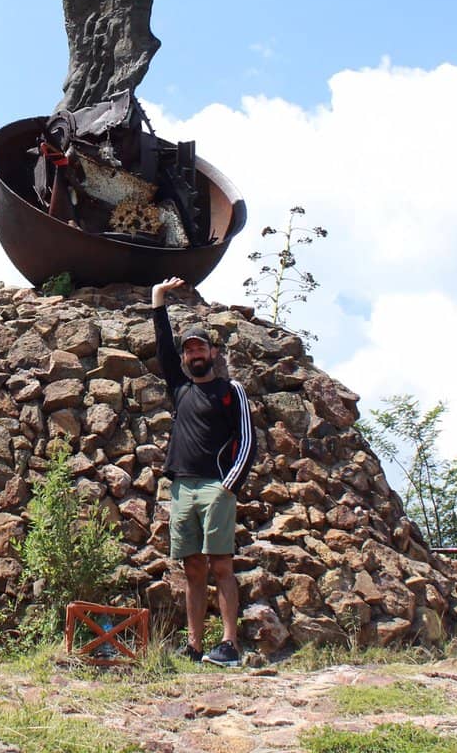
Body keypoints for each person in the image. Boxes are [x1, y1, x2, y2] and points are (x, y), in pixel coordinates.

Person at [152, 276, 256, 666]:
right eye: (189, 349)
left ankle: (229, 645)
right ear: (184, 358)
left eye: (200, 347)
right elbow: (162, 344)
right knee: (193, 567)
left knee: (221, 564)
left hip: (216, 486)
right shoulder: (180, 389)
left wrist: (229, 485)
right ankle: (195, 646)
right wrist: (158, 297)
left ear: (213, 352)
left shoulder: (231, 391)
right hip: (182, 487)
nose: (194, 353)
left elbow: (248, 439)